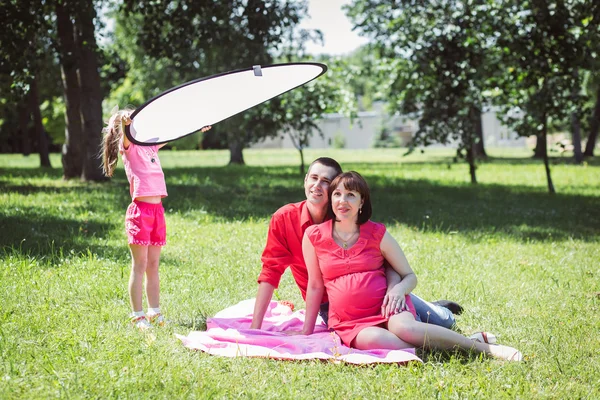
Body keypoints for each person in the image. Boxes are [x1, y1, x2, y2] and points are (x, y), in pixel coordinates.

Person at [299, 171, 522, 361]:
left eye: (351, 195)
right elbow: (316, 286)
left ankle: (485, 349)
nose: (342, 201)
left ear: (362, 201)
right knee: (375, 341)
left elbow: (409, 275)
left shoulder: (377, 233)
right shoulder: (313, 236)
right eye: (337, 194)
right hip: (350, 321)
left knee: (404, 329)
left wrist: (397, 290)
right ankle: (454, 345)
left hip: (387, 306)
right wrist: (306, 332)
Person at [250, 157, 462, 330]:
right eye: (313, 178)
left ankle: (436, 310)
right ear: (305, 180)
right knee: (389, 334)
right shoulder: (284, 218)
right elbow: (271, 272)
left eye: (326, 181)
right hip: (332, 307)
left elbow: (386, 263)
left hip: (376, 293)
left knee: (441, 323)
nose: (317, 185)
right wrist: (255, 327)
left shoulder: (348, 216)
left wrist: (393, 293)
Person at [100, 106, 210, 329]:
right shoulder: (128, 147)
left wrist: (197, 127)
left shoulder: (150, 147)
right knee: (139, 265)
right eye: (134, 123)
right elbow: (126, 131)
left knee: (153, 265)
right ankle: (137, 315)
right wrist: (124, 121)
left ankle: (154, 312)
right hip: (140, 213)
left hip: (157, 212)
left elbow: (173, 134)